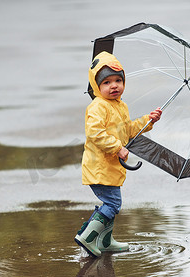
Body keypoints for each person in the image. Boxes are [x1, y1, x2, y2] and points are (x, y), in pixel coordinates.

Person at [75, 51, 162, 257]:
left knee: (114, 204)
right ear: (97, 86)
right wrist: (117, 147)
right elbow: (95, 133)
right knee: (112, 204)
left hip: (111, 168)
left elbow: (128, 130)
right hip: (99, 167)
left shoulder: (120, 106)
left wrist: (149, 121)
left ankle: (105, 241)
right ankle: (87, 237)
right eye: (106, 82)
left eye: (118, 80)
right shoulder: (97, 107)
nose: (114, 86)